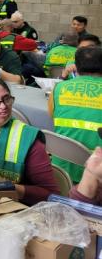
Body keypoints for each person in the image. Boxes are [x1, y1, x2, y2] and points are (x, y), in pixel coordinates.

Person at [49, 46, 102, 183]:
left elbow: (52, 116)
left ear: (76, 66)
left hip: (62, 168)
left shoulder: (58, 88)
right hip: (96, 169)